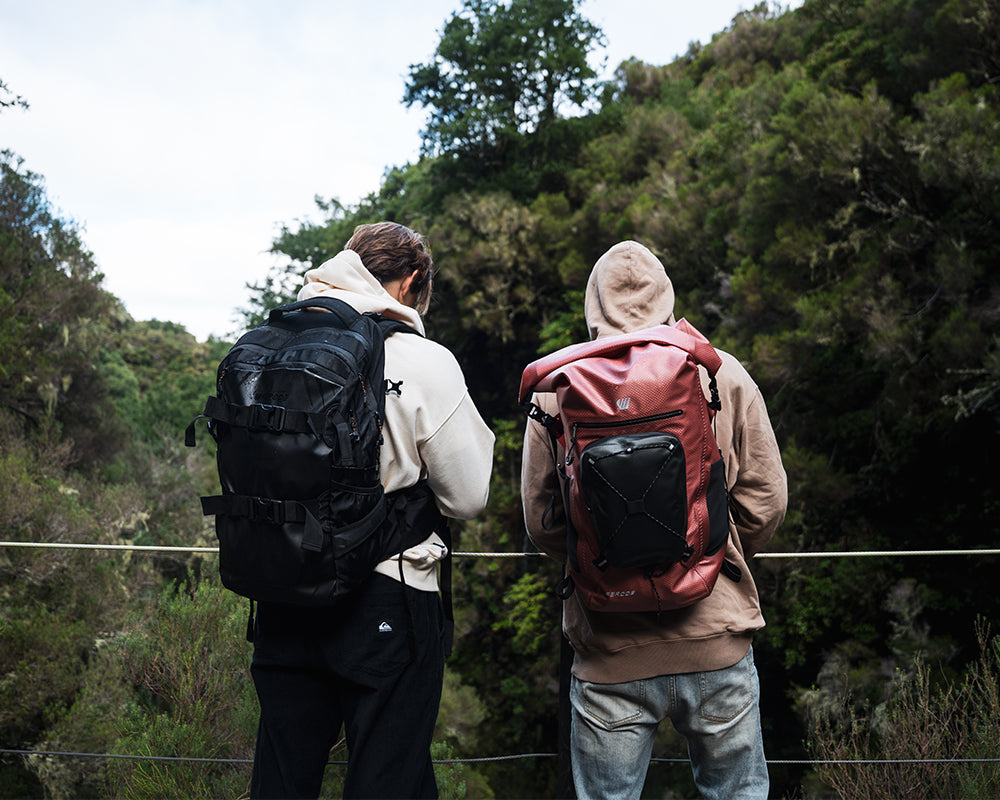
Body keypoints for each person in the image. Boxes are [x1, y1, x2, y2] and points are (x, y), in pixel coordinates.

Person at [520, 240, 787, 800]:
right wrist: (714, 555)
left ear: (593, 305)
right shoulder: (719, 372)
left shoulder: (559, 388)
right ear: (667, 295)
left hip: (609, 648)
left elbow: (542, 523)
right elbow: (765, 501)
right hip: (716, 634)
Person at [249, 222, 495, 799]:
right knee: (387, 781)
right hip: (386, 597)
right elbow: (468, 497)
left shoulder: (270, 347)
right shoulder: (422, 360)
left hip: (281, 588)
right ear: (410, 282)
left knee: (281, 783)